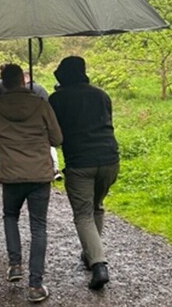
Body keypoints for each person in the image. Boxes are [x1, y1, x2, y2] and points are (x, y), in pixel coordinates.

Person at [0, 64, 63, 302]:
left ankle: (14, 265)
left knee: (10, 216)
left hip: (11, 173)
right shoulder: (41, 104)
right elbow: (57, 139)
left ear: (3, 82)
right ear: (23, 80)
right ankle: (35, 286)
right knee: (38, 226)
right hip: (39, 173)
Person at [49, 56, 120, 291]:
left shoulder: (57, 99)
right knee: (97, 206)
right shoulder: (101, 95)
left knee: (83, 214)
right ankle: (91, 253)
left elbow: (54, 133)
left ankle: (99, 264)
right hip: (110, 159)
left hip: (80, 163)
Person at [23, 72, 62, 181]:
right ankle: (55, 169)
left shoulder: (25, 90)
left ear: (26, 78)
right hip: (46, 121)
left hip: (32, 123)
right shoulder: (42, 89)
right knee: (50, 146)